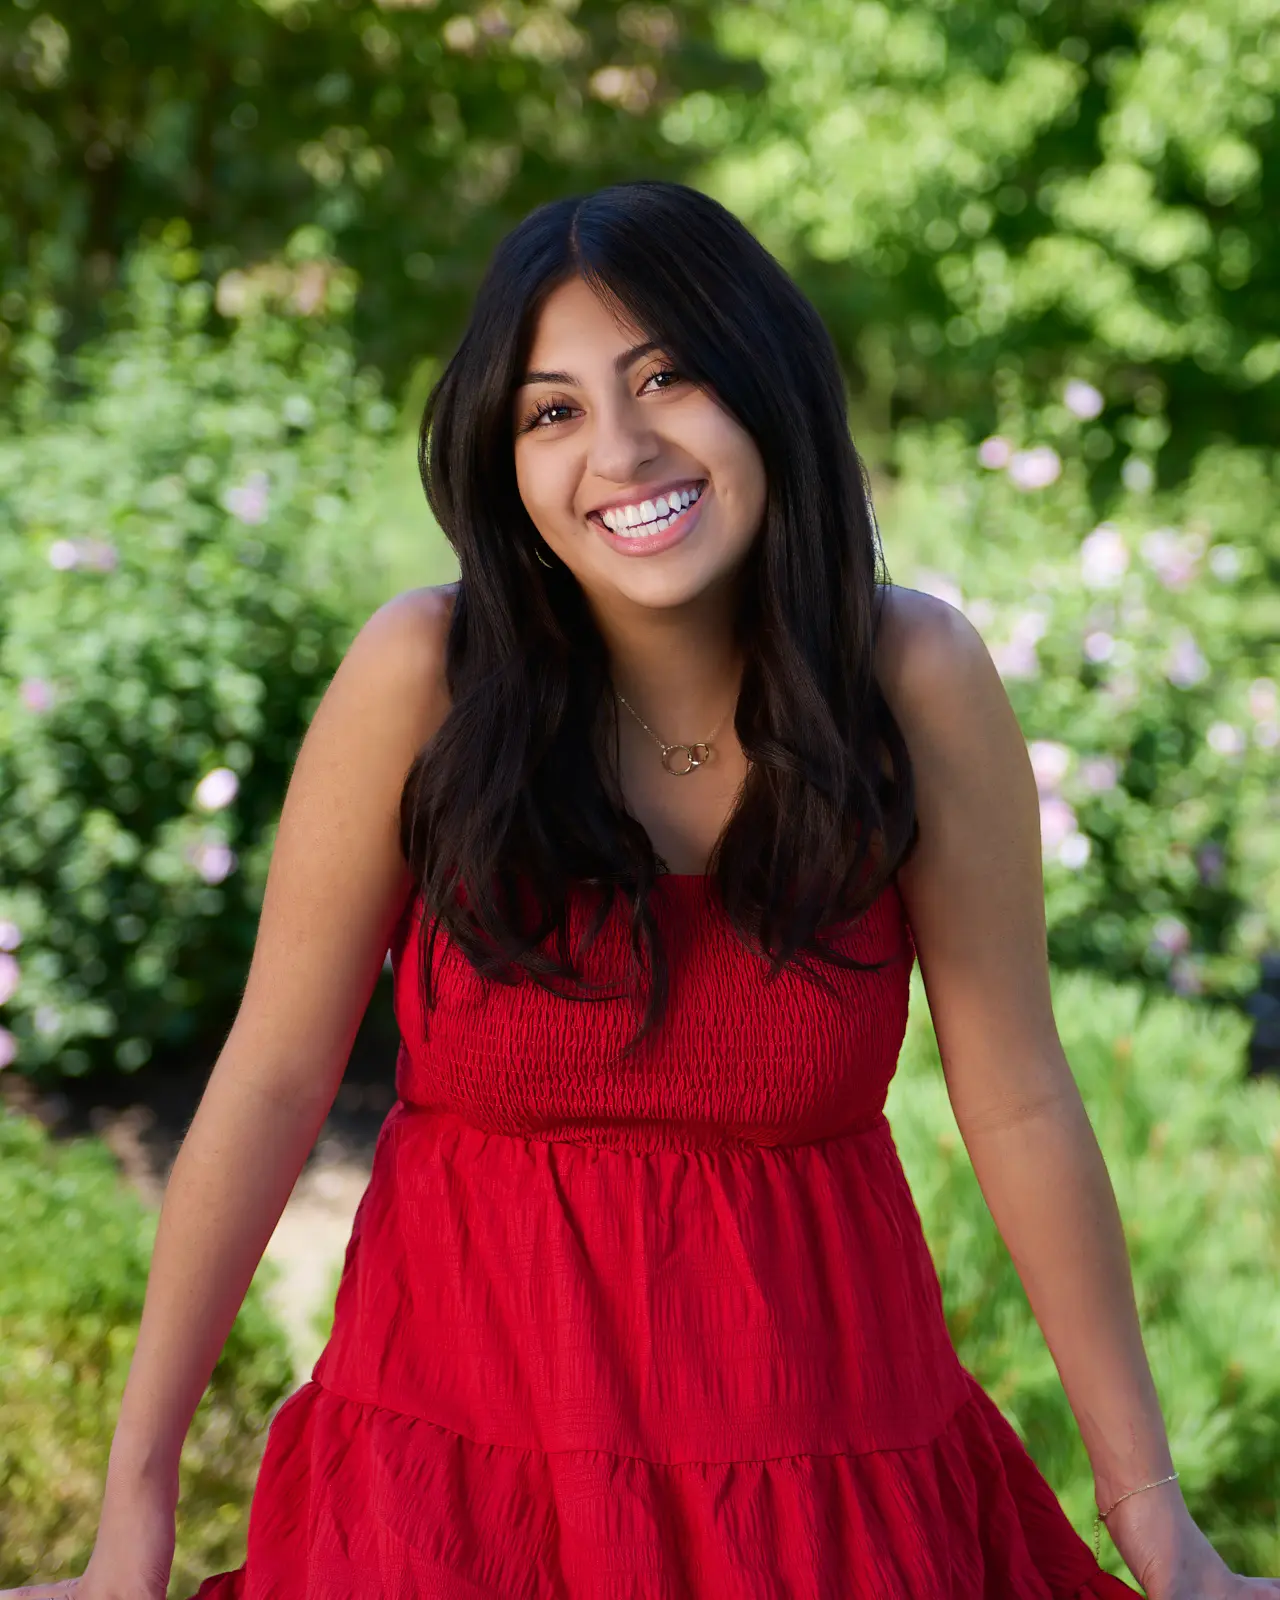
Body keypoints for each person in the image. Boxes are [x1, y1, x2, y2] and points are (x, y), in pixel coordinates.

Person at [8, 180, 1277, 1600]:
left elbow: (1021, 1096)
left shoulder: (911, 681)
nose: (620, 449)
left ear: (767, 386)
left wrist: (1157, 1523)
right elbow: (269, 1081)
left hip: (830, 1513)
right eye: (551, 411)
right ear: (505, 461)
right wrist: (134, 1523)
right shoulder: (424, 680)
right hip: (449, 1513)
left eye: (667, 374)